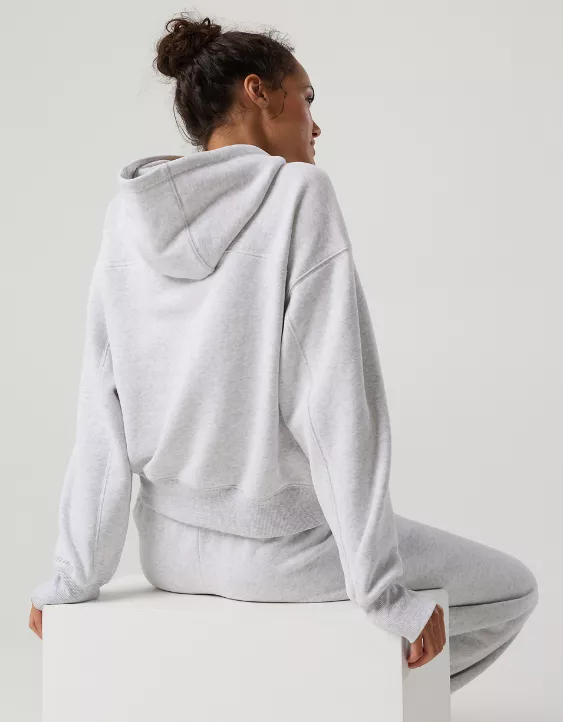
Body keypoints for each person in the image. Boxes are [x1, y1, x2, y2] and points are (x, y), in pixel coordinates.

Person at [29, 12, 538, 693]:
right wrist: (379, 588)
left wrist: (72, 576)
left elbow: (102, 405)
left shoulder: (126, 216)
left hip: (167, 551)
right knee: (514, 589)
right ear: (257, 92)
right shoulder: (300, 193)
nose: (315, 125)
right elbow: (334, 403)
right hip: (284, 554)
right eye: (306, 97)